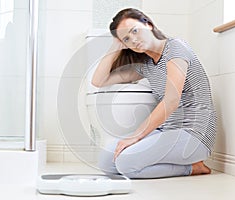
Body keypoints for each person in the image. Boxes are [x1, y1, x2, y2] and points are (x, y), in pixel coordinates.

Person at [91, 8, 217, 179]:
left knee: (126, 164)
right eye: (127, 39)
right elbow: (98, 81)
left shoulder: (175, 48)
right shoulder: (146, 64)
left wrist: (135, 137)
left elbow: (171, 100)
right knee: (107, 161)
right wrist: (115, 45)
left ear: (148, 24)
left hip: (194, 135)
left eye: (135, 31)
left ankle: (193, 167)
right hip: (165, 131)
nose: (133, 40)